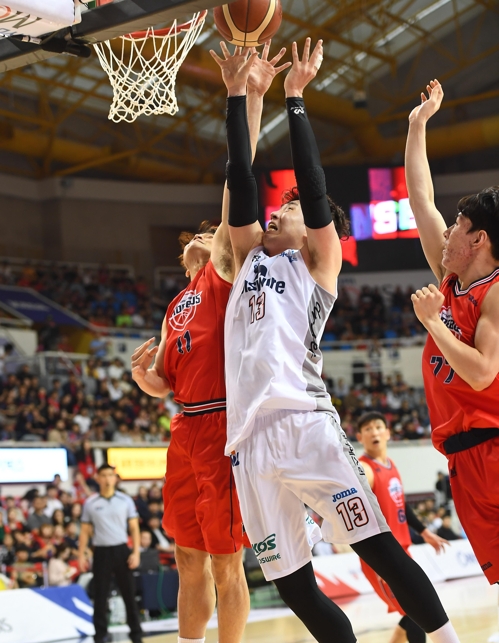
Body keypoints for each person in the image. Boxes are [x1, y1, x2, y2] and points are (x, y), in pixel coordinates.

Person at [215, 37, 460, 643]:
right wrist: (237, 96)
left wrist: (294, 98)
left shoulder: (317, 265)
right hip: (249, 443)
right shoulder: (250, 258)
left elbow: (314, 188)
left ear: (317, 228)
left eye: (292, 207)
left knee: (378, 548)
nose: (280, 209)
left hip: (305, 424)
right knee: (295, 586)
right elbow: (242, 183)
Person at [131, 42, 290, 643]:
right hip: (184, 430)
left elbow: (239, 178)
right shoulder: (178, 305)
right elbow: (164, 383)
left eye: (212, 230)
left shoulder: (224, 270)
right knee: (188, 558)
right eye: (198, 235)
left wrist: (245, 96)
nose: (207, 233)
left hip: (225, 428)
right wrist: (145, 379)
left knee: (227, 561)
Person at [405, 80, 499, 641]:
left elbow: (485, 372)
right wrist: (418, 125)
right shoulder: (452, 277)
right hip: (465, 459)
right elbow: (421, 198)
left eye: (458, 227)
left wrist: (434, 324)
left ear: (479, 238)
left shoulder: (495, 291)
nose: (447, 232)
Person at [356, 411, 449, 643]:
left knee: (413, 608)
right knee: (415, 610)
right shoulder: (365, 470)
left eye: (378, 426)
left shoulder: (391, 465)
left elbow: (401, 504)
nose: (374, 431)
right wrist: (377, 559)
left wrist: (425, 532)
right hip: (383, 556)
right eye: (367, 429)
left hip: (402, 550)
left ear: (388, 433)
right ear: (359, 437)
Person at [78, 464, 143, 643]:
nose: (107, 479)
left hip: (121, 550)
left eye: (110, 475)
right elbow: (84, 531)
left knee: (129, 595)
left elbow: (134, 528)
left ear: (115, 478)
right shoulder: (90, 503)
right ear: (97, 478)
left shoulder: (125, 500)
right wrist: (81, 554)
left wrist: (136, 552)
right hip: (101, 552)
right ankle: (100, 636)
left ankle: (136, 635)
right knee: (100, 597)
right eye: (103, 475)